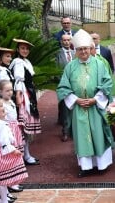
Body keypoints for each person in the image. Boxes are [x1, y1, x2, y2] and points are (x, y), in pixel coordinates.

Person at [56, 29, 114, 178]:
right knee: (82, 138)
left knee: (99, 134)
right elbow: (63, 87)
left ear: (91, 48)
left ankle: (101, 165)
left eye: (86, 48)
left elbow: (108, 83)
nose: (83, 52)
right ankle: (86, 167)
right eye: (80, 49)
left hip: (96, 107)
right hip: (79, 108)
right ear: (76, 50)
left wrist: (96, 99)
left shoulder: (99, 64)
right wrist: (76, 100)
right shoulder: (70, 66)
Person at [9, 39, 41, 166]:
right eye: (22, 48)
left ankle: (26, 154)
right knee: (23, 129)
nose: (25, 51)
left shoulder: (26, 62)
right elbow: (19, 81)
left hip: (29, 95)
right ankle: (24, 156)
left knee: (26, 130)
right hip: (23, 97)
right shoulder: (17, 63)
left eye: (27, 49)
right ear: (17, 50)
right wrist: (18, 96)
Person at [0, 80, 25, 194]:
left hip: (15, 128)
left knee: (17, 154)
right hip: (8, 129)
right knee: (12, 156)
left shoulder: (11, 102)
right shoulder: (1, 104)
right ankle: (12, 183)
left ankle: (15, 180)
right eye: (7, 90)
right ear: (0, 92)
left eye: (11, 90)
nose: (10, 93)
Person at [55, 34, 75, 142]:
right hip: (64, 86)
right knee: (65, 109)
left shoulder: (74, 53)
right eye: (64, 40)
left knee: (75, 109)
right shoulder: (57, 54)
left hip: (76, 85)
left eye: (68, 40)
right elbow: (55, 70)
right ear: (61, 41)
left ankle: (74, 131)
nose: (66, 42)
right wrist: (63, 82)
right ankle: (65, 131)